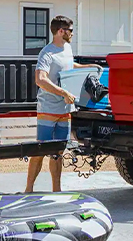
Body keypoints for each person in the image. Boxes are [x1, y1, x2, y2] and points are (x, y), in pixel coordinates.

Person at [24, 15, 102, 193]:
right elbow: (40, 79)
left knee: (58, 152)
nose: (73, 34)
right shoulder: (47, 53)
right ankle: (28, 190)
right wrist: (63, 93)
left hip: (65, 110)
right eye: (71, 30)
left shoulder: (67, 48)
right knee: (40, 150)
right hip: (48, 110)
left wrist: (87, 67)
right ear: (61, 31)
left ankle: (56, 191)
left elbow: (68, 65)